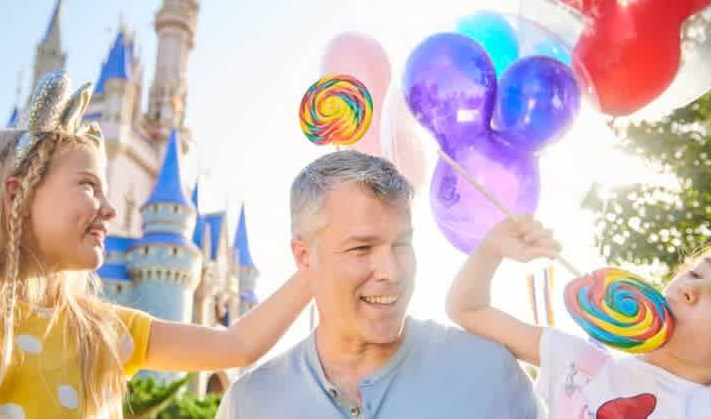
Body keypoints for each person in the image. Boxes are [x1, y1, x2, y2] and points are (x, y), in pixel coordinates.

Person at [0, 72, 311, 418]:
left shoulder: (100, 331)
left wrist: (316, 265)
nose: (109, 209)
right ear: (16, 193)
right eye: (87, 185)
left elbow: (239, 345)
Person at [447, 194, 711, 418]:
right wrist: (492, 250)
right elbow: (468, 310)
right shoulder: (582, 364)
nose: (691, 289)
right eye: (694, 272)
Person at [217, 150, 541, 418]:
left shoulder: (491, 374)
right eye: (361, 248)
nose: (392, 272)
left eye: (401, 244)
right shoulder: (249, 404)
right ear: (304, 257)